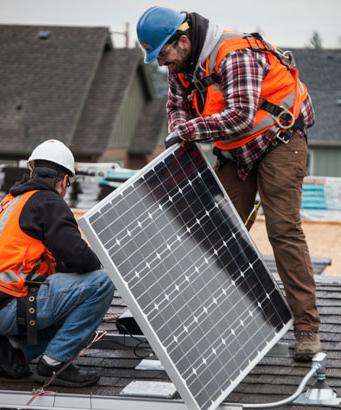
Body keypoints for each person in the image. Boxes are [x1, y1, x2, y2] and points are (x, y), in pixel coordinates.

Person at [137, 7, 321, 360]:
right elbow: (176, 107)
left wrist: (188, 131)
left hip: (279, 139)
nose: (162, 63)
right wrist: (179, 128)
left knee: (283, 229)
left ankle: (307, 327)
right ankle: (218, 321)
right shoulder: (181, 66)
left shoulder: (234, 53)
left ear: (184, 40)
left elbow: (240, 116)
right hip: (236, 150)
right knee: (216, 229)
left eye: (163, 53)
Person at [0, 139, 115, 386]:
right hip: (9, 307)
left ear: (32, 171)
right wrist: (102, 265)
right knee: (100, 284)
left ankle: (17, 350)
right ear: (64, 180)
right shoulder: (48, 202)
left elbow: (55, 259)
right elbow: (78, 256)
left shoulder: (12, 201)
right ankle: (55, 364)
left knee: (71, 293)